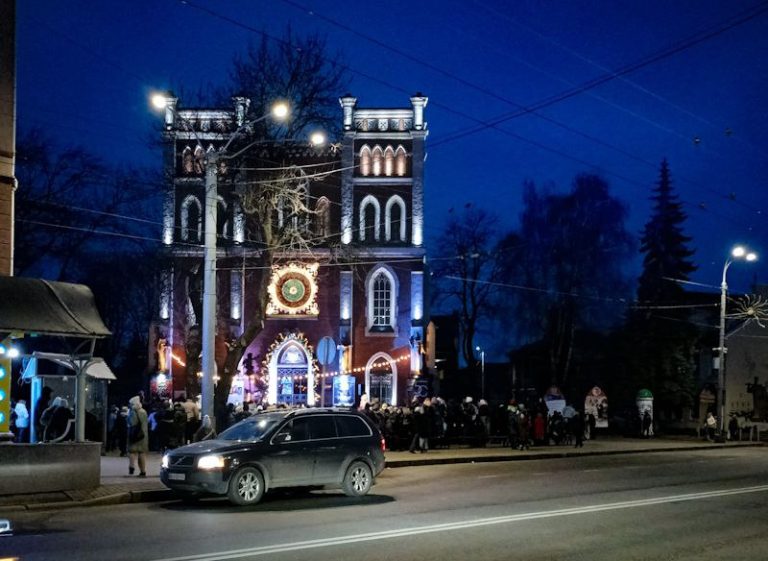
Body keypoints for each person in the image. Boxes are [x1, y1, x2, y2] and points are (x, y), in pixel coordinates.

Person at [127, 395, 148, 477]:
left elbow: (132, 423)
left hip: (135, 434)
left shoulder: (133, 412)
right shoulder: (143, 411)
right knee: (142, 453)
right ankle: (143, 471)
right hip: (143, 435)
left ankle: (131, 467)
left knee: (132, 451)